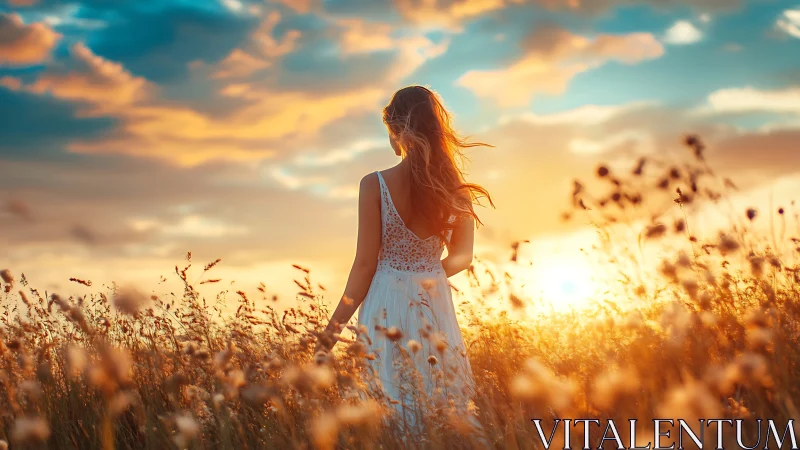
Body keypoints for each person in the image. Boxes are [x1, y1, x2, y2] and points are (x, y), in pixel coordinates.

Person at [317, 85, 493, 431]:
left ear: (397, 130)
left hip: (384, 301)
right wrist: (426, 276)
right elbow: (463, 257)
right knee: (440, 399)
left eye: (389, 133)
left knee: (388, 400)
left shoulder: (374, 184)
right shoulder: (456, 192)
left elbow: (365, 266)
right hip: (433, 301)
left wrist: (330, 332)